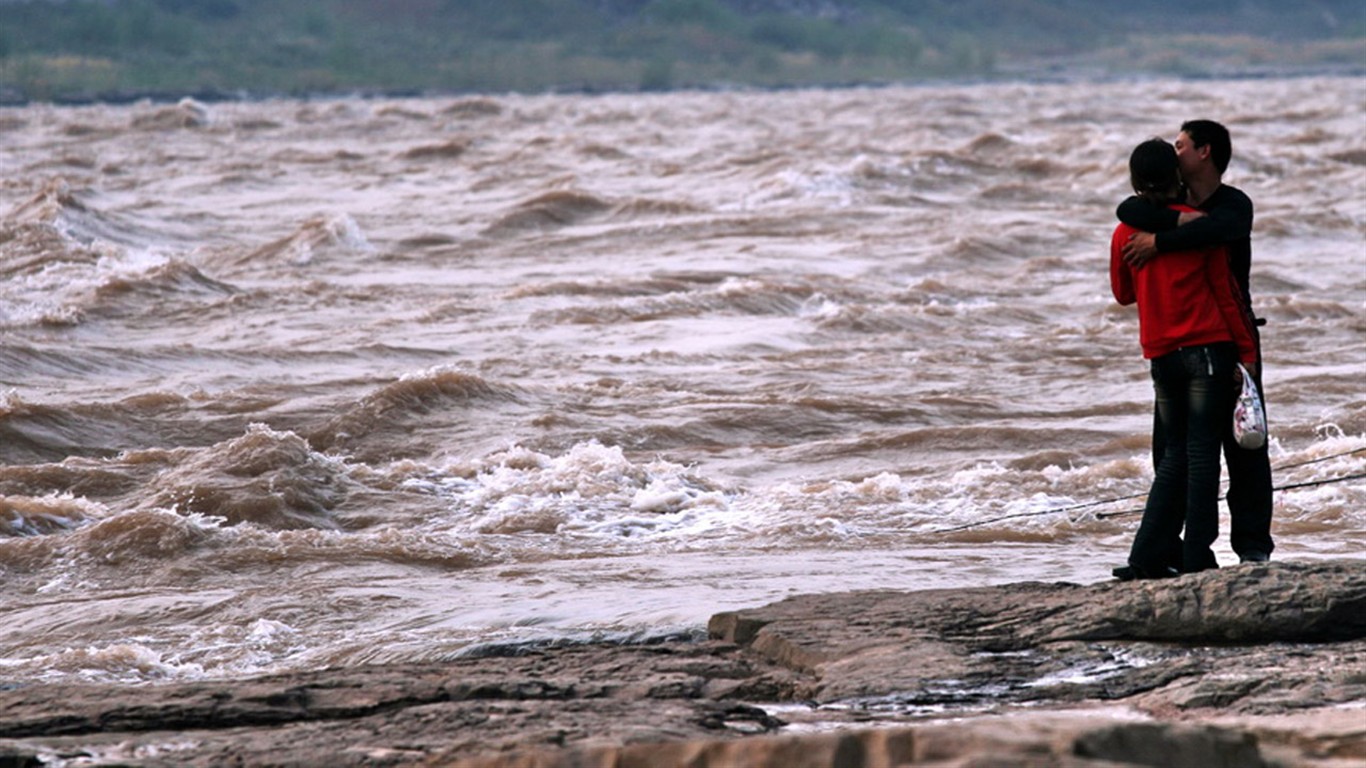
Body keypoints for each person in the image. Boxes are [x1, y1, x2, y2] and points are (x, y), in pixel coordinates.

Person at [1116, 119, 1275, 564]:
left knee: (1246, 446)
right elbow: (1127, 211)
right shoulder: (1168, 203)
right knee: (1171, 451)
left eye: (1181, 143)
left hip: (1234, 333)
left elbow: (1212, 232)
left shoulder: (1234, 205)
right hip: (1188, 344)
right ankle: (1171, 548)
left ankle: (1252, 549)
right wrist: (1165, 227)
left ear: (1204, 152)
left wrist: (1160, 243)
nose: (1174, 148)